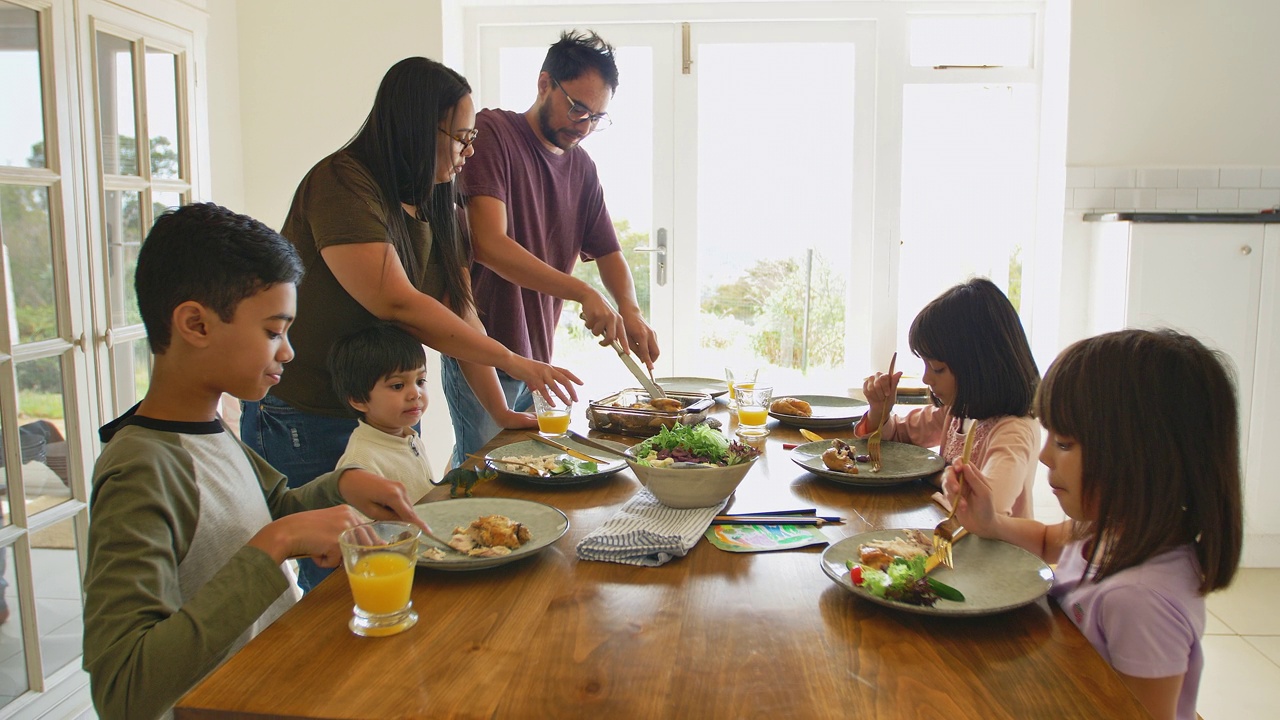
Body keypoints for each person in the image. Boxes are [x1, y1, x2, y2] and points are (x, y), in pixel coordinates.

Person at [240, 57, 578, 590]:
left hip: (383, 409)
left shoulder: (436, 196)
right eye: (462, 137)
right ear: (421, 128)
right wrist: (514, 361)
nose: (470, 151)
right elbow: (395, 301)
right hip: (308, 410)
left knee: (405, 554)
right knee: (332, 575)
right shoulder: (343, 183)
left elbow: (460, 309)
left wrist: (499, 409)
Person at [81, 203, 427, 720]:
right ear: (195, 323)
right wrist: (279, 544)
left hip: (271, 683)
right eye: (273, 331)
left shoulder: (211, 426)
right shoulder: (140, 467)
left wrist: (343, 485)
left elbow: (266, 510)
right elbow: (124, 690)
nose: (287, 352)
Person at [945, 329, 1243, 720]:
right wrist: (990, 523)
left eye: (1065, 443)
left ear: (1141, 459)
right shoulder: (1118, 526)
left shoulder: (1139, 600)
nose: (1046, 455)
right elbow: (1050, 540)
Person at [444, 29, 660, 466]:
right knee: (487, 474)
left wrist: (630, 309)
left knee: (521, 468)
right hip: (482, 350)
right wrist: (583, 292)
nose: (584, 126)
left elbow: (608, 249)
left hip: (536, 356)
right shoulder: (492, 133)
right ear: (545, 84)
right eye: (577, 108)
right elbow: (488, 243)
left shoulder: (581, 166)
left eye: (597, 117)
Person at [858, 277, 1041, 517]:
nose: (926, 379)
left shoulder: (1013, 431)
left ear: (980, 366)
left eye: (937, 368)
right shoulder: (958, 412)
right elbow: (896, 437)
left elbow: (986, 508)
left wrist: (936, 471)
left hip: (991, 553)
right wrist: (879, 409)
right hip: (952, 544)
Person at [329, 323, 435, 507]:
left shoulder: (406, 435)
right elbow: (363, 529)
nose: (415, 393)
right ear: (358, 399)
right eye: (397, 386)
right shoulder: (361, 462)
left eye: (420, 381)